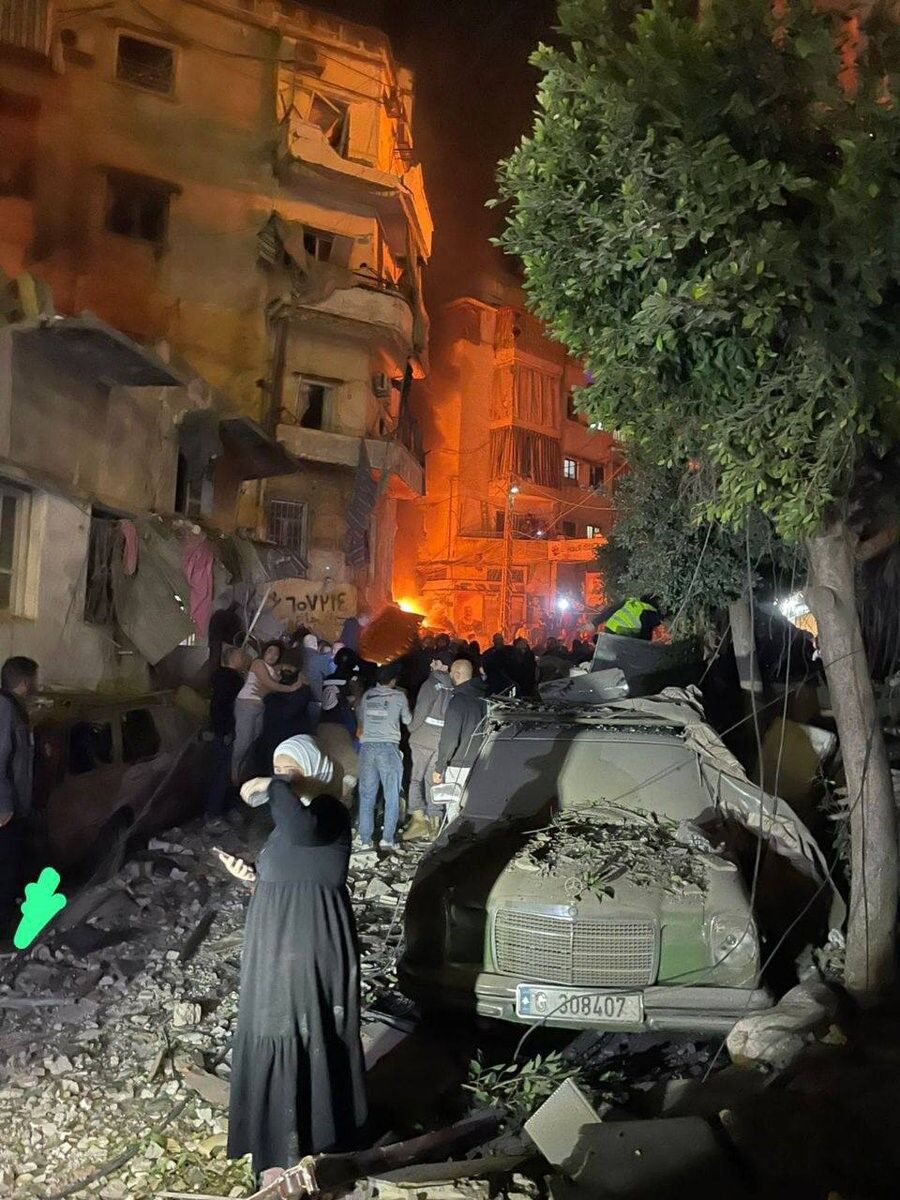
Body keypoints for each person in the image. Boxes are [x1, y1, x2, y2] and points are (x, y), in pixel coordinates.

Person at [224, 736, 367, 1191]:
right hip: (276, 941)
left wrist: (271, 785)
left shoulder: (328, 812)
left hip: (308, 942)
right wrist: (252, 876)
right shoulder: (295, 821)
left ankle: (308, 1145)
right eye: (278, 770)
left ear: (313, 769)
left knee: (299, 1029)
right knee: (271, 1027)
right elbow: (293, 870)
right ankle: (273, 1147)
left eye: (290, 771)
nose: (283, 780)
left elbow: (303, 834)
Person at [355, 664, 412, 853]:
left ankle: (365, 840)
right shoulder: (399, 696)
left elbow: (361, 719)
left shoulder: (367, 695)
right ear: (393, 680)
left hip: (367, 748)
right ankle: (387, 839)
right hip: (388, 748)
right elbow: (408, 720)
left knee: (366, 796)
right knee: (391, 795)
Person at [0, 656, 38, 933]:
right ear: (25, 682)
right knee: (5, 869)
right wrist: (3, 806)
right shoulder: (4, 709)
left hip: (12, 807)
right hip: (4, 810)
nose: (38, 685)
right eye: (35, 680)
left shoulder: (12, 708)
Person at [232, 642, 304, 783]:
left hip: (259, 708)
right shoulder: (258, 664)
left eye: (276, 654)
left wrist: (294, 671)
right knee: (243, 741)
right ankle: (233, 772)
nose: (273, 656)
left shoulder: (273, 669)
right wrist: (292, 688)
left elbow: (281, 672)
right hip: (246, 705)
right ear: (264, 652)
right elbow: (270, 684)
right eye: (270, 651)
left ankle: (242, 771)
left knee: (253, 739)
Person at [404, 652, 454, 841]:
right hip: (440, 741)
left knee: (416, 779)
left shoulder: (430, 683)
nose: (432, 664)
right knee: (433, 780)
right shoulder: (452, 686)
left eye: (435, 661)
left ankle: (418, 821)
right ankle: (435, 822)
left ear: (440, 664)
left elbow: (421, 710)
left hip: (422, 739)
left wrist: (411, 728)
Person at [433, 658, 486, 794]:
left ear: (457, 675)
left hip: (459, 766)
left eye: (451, 673)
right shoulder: (483, 699)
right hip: (480, 763)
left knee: (454, 805)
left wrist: (439, 767)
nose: (449, 675)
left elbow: (450, 740)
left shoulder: (457, 701)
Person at [207, 647, 246, 818]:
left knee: (220, 773)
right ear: (233, 659)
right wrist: (226, 731)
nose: (243, 659)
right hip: (224, 732)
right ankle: (213, 815)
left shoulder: (218, 677)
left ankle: (218, 810)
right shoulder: (232, 679)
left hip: (219, 731)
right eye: (240, 656)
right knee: (221, 774)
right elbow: (222, 707)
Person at [594, 596, 663, 640]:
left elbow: (611, 610)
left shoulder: (630, 601)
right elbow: (644, 640)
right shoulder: (649, 612)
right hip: (621, 634)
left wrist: (594, 622)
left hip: (610, 629)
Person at [301, 634, 333, 731]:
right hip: (315, 698)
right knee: (313, 729)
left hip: (298, 698)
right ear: (316, 645)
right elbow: (329, 676)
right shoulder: (319, 659)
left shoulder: (298, 657)